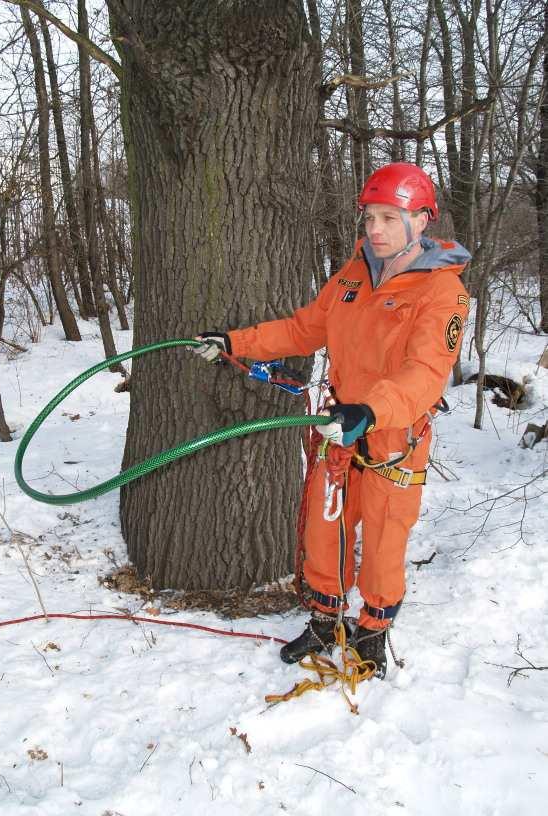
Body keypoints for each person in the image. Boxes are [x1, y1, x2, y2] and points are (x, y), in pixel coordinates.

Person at [194, 163, 471, 679]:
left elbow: (427, 372)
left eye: (390, 218)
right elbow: (303, 330)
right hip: (336, 428)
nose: (375, 230)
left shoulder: (441, 293)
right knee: (326, 533)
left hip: (392, 435)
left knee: (386, 540)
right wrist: (236, 342)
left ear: (422, 221)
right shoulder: (351, 274)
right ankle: (325, 620)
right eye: (369, 218)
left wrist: (371, 410)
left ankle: (373, 629)